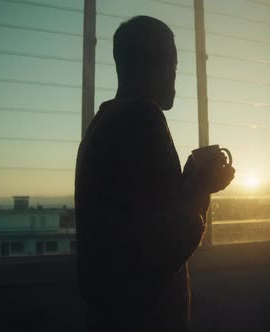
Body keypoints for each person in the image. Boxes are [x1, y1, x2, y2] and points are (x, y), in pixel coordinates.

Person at [74, 16, 235, 332]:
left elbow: (134, 219)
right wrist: (203, 187)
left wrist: (185, 183)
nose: (176, 75)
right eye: (174, 64)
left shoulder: (103, 121)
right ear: (156, 64)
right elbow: (165, 246)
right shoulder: (143, 117)